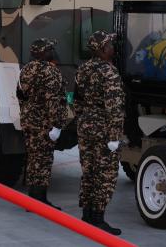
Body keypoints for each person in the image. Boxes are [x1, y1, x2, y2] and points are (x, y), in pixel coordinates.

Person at [74, 30, 125, 235]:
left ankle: (86, 215)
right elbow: (114, 108)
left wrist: (83, 119)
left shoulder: (82, 69)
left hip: (85, 126)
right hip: (104, 130)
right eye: (110, 45)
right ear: (103, 49)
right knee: (105, 174)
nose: (113, 48)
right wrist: (114, 137)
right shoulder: (108, 72)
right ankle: (97, 219)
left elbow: (76, 100)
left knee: (89, 171)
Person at [17, 38, 69, 209]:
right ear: (44, 52)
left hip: (29, 121)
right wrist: (58, 125)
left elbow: (20, 94)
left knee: (33, 158)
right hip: (45, 123)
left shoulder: (26, 69)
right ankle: (39, 200)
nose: (52, 52)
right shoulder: (51, 72)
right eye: (50, 49)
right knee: (43, 160)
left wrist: (27, 112)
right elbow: (55, 101)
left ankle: (32, 199)